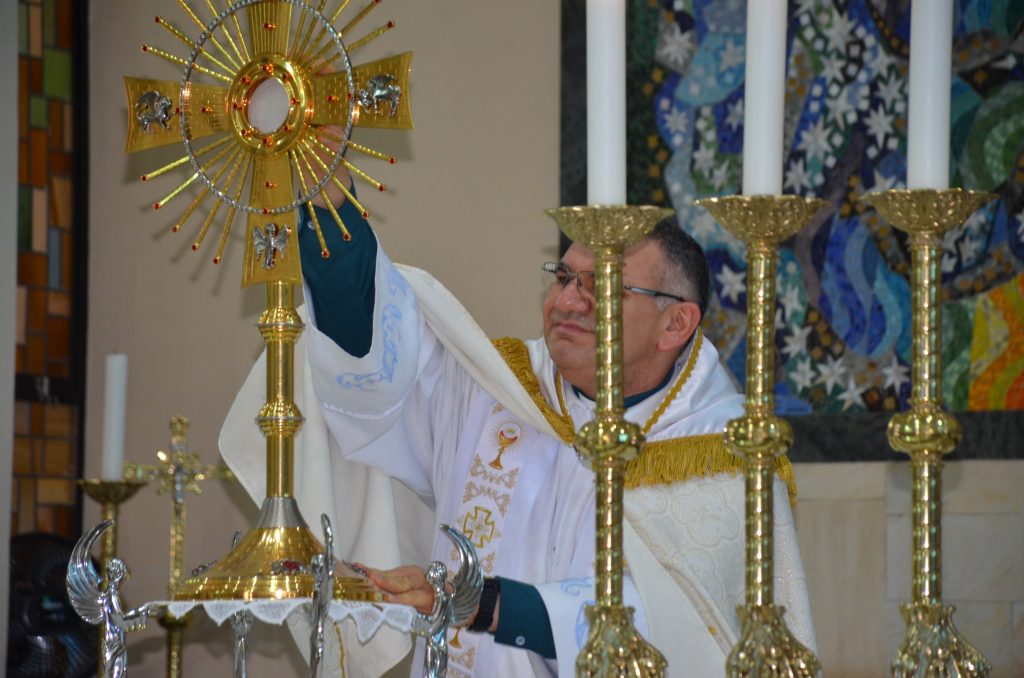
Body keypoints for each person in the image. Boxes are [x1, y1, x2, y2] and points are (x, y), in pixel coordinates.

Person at [220, 186, 816, 677]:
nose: (568, 300)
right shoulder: (498, 388)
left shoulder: (722, 450)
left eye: (602, 284)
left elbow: (685, 626)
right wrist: (329, 208)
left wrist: (489, 604)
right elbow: (373, 363)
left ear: (676, 323)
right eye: (564, 276)